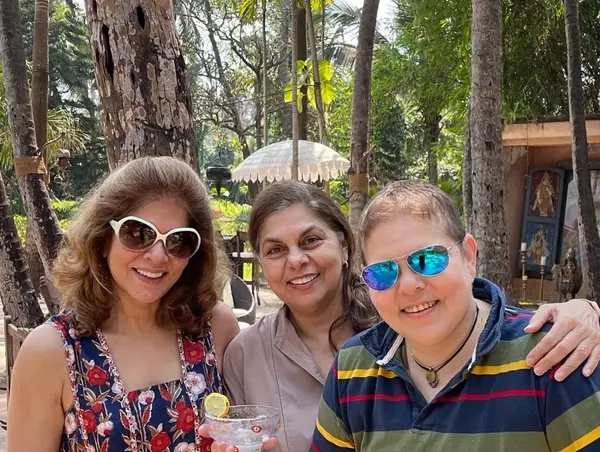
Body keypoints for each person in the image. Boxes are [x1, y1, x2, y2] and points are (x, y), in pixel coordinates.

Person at [201, 180, 600, 452]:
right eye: (385, 271)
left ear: (469, 255)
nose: (408, 285)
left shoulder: (551, 356)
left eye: (428, 259)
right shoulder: (354, 368)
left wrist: (587, 311)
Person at [7, 157, 240, 451]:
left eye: (178, 240)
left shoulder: (215, 328)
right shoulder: (51, 352)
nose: (157, 256)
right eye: (138, 233)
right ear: (103, 239)